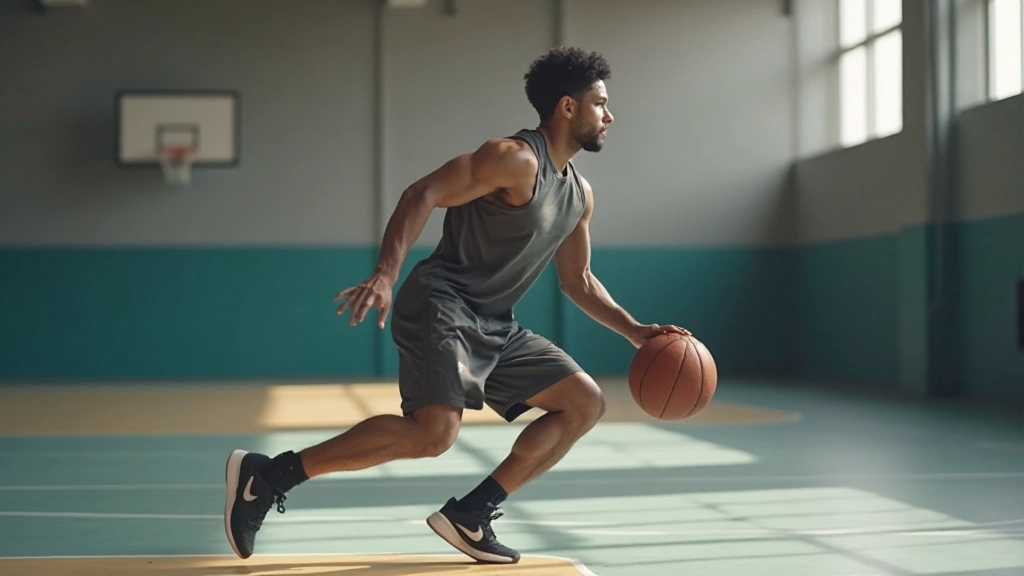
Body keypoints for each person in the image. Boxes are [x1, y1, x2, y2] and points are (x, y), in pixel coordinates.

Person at [223, 46, 690, 565]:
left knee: (585, 402)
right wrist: (385, 273)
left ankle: (472, 513)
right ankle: (268, 476)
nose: (609, 115)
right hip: (442, 303)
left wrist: (634, 331)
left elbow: (577, 280)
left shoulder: (579, 194)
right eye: (600, 103)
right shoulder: (512, 158)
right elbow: (420, 193)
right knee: (434, 435)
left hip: (494, 323)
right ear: (567, 107)